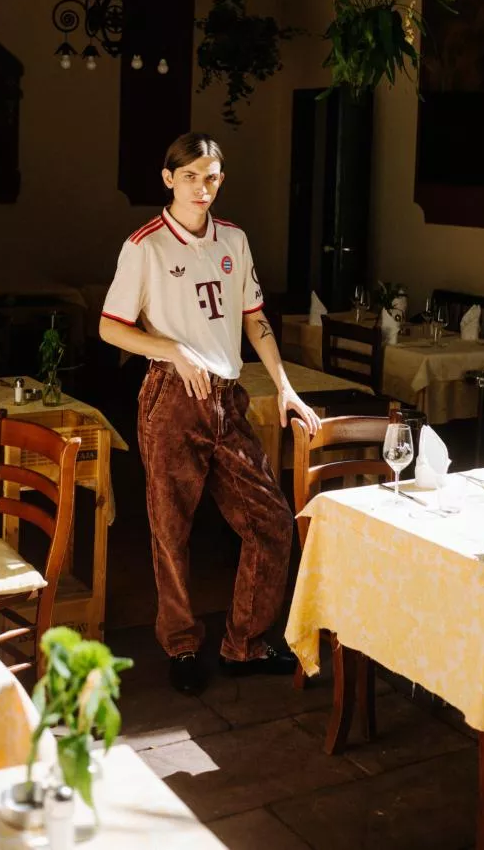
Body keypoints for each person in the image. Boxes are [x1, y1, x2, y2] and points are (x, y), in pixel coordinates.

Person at [99, 131, 321, 695]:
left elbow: (254, 317)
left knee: (271, 521)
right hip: (172, 397)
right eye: (191, 177)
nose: (202, 189)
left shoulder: (234, 241)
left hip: (227, 396)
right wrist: (171, 349)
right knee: (170, 527)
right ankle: (181, 644)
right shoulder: (144, 246)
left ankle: (244, 642)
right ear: (169, 179)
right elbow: (109, 326)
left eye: (212, 177)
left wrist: (286, 388)